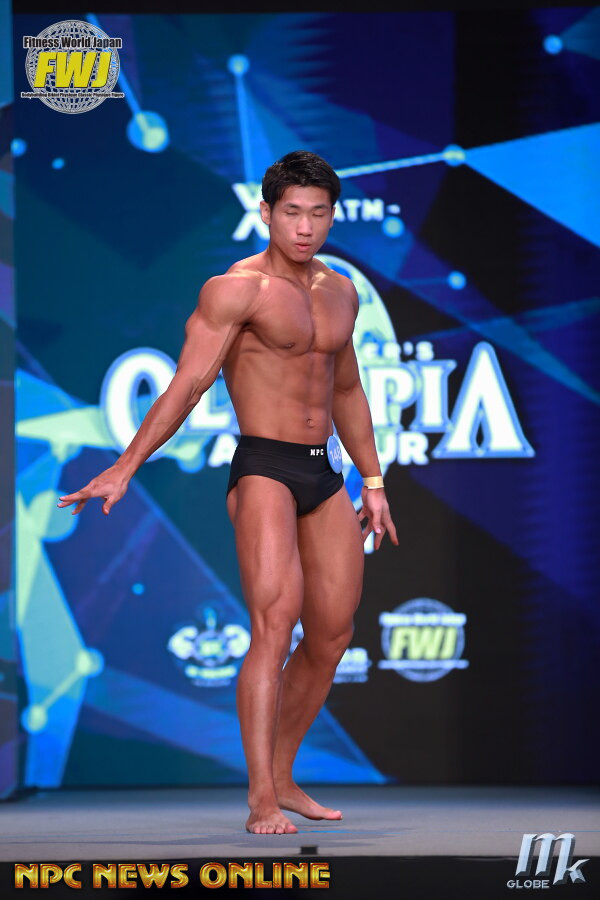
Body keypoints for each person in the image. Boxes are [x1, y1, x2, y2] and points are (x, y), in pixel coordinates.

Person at [57, 150, 398, 835]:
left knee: (332, 634)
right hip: (264, 465)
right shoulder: (236, 290)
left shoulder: (340, 292)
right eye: (292, 212)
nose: (305, 227)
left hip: (323, 469)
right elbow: (186, 384)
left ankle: (285, 775)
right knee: (275, 624)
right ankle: (261, 798)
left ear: (333, 217)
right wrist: (126, 465)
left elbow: (347, 390)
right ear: (266, 212)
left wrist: (373, 479)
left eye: (318, 213)